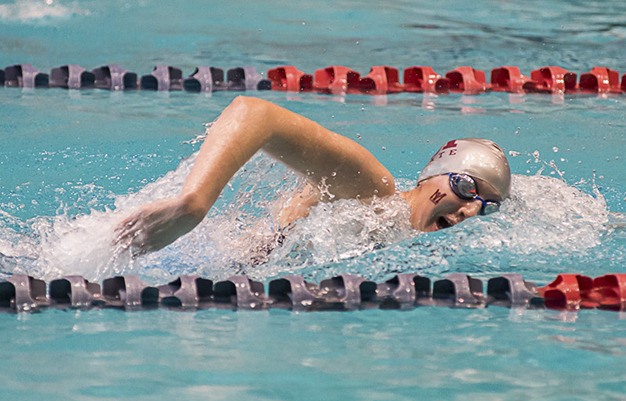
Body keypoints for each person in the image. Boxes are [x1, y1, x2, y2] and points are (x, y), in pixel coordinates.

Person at [115, 96, 511, 256]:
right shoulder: (373, 190)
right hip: (170, 253)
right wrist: (192, 205)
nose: (470, 210)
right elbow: (254, 113)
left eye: (486, 206)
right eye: (465, 186)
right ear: (431, 177)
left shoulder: (401, 241)